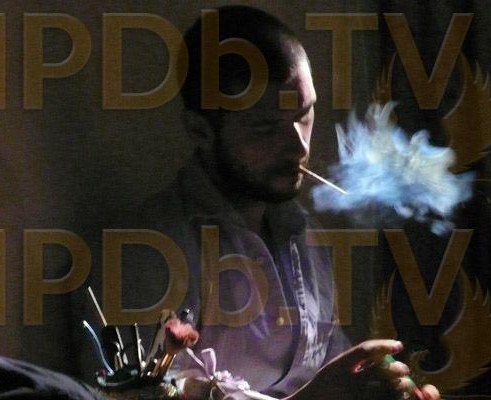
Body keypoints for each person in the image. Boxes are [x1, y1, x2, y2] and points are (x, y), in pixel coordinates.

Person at [113, 5, 441, 400]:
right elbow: (141, 394)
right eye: (266, 127)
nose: (298, 146)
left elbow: (325, 372)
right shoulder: (149, 250)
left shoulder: (305, 237)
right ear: (200, 131)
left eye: (304, 114)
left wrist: (376, 383)